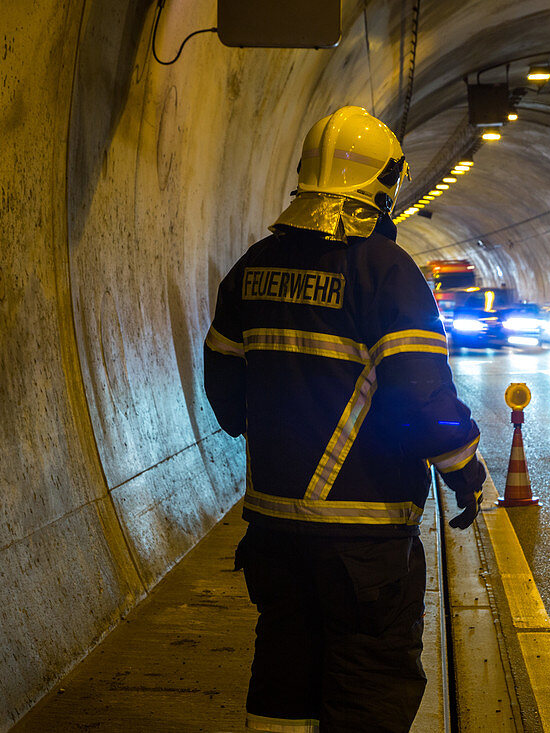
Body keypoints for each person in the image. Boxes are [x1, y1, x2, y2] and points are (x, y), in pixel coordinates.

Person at [203, 105, 486, 732]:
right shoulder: (384, 271)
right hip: (364, 534)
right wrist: (465, 470)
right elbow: (420, 398)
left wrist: (279, 438)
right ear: (381, 184)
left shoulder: (253, 266)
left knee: (283, 677)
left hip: (274, 527)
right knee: (368, 683)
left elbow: (224, 386)